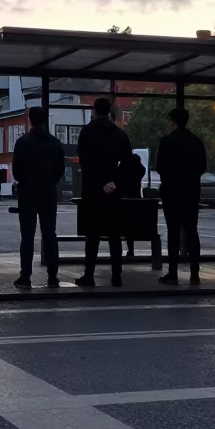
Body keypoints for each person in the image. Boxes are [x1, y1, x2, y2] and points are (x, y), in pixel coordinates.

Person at [76, 97, 132, 287]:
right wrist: (114, 182)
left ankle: (89, 275)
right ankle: (117, 275)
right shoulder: (119, 134)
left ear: (94, 110)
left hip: (93, 190)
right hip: (113, 191)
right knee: (114, 235)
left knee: (92, 235)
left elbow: (85, 163)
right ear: (109, 111)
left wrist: (99, 184)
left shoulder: (86, 132)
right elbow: (127, 164)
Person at [12, 106, 65, 289]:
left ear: (30, 120)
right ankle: (53, 277)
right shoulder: (55, 143)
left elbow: (17, 172)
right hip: (48, 192)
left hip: (27, 193)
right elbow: (60, 170)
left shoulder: (22, 143)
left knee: (27, 236)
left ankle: (25, 276)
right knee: (50, 235)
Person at [156, 107, 208, 285]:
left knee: (173, 232)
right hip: (191, 191)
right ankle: (195, 273)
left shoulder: (167, 141)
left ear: (173, 121)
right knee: (192, 231)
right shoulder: (196, 141)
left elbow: (160, 167)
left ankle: (173, 273)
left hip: (172, 191)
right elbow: (202, 167)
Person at [120, 152, 146, 257]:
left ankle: (129, 250)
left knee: (125, 225)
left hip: (124, 198)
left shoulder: (123, 170)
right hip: (136, 198)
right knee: (132, 225)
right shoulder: (140, 171)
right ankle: (131, 249)